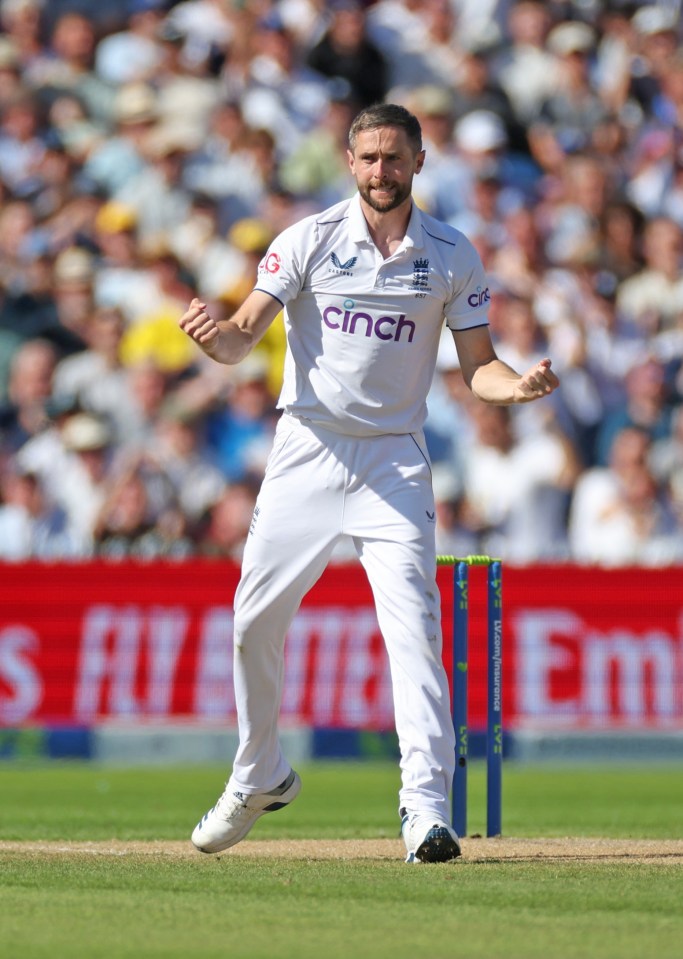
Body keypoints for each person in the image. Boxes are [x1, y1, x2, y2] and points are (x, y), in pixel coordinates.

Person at [179, 102, 559, 865]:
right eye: (368, 158)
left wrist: (512, 387)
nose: (380, 171)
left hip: (393, 460)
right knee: (254, 622)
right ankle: (260, 773)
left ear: (419, 162)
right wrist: (217, 339)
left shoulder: (451, 254)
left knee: (414, 633)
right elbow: (245, 331)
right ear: (348, 163)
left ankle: (424, 811)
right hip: (308, 449)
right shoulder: (308, 239)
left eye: (394, 158)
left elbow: (476, 363)